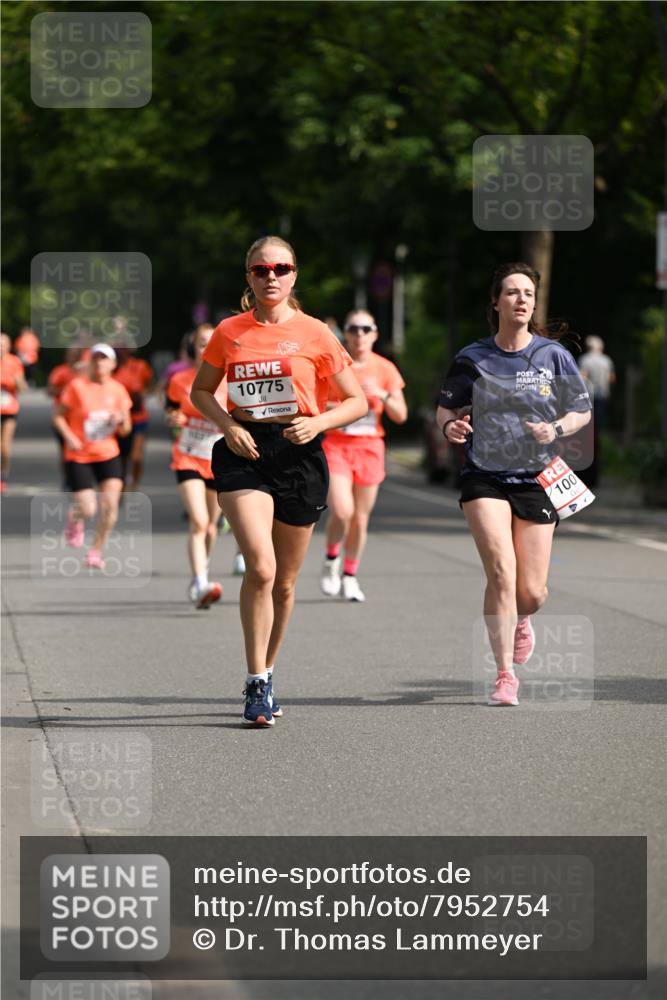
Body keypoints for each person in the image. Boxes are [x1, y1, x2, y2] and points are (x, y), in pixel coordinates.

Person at [191, 235, 367, 727]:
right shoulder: (230, 331)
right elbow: (201, 391)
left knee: (285, 584)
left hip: (299, 454)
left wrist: (319, 423)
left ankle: (268, 671)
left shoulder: (317, 333)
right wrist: (228, 426)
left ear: (294, 275)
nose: (271, 277)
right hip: (243, 452)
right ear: (248, 276)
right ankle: (254, 683)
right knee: (262, 569)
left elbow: (356, 401)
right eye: (260, 269)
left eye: (280, 268)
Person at [436, 262, 592, 707]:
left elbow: (581, 409)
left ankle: (523, 618)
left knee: (531, 591)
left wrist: (557, 429)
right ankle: (505, 675)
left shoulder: (553, 356)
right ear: (496, 301)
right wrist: (450, 428)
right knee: (501, 571)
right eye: (512, 292)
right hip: (484, 474)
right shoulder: (472, 358)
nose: (522, 299)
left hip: (539, 477)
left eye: (528, 293)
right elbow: (445, 411)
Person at [320, 309, 407, 601]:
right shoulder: (334, 367)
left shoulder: (385, 369)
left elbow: (401, 415)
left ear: (375, 334)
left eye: (366, 329)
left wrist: (380, 395)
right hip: (337, 445)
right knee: (342, 511)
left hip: (370, 448)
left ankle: (350, 575)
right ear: (345, 333)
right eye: (354, 329)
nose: (360, 334)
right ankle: (331, 560)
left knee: (360, 519)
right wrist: (350, 404)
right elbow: (316, 407)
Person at [165, 325, 241, 609]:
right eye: (200, 344)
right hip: (187, 456)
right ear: (192, 349)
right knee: (198, 521)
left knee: (210, 527)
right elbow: (171, 408)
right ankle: (200, 581)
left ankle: (202, 571)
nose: (205, 349)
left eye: (211, 344)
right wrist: (175, 419)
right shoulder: (180, 380)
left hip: (219, 459)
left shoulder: (232, 381)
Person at [53, 343, 132, 569]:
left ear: (113, 364)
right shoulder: (77, 386)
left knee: (110, 507)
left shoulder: (118, 390)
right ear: (90, 362)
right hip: (79, 455)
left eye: (104, 359)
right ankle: (75, 518)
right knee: (88, 508)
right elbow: (58, 417)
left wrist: (119, 421)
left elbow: (126, 429)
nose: (99, 363)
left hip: (108, 453)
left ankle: (95, 551)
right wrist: (69, 437)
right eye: (96, 358)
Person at [112, 344, 154, 489]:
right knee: (122, 456)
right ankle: (121, 483)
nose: (121, 350)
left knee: (136, 456)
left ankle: (134, 483)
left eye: (123, 347)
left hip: (138, 416)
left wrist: (142, 394)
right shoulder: (112, 368)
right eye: (118, 347)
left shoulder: (140, 366)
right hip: (120, 418)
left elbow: (148, 384)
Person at [47, 347, 90, 489]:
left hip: (81, 419)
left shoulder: (85, 372)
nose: (73, 357)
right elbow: (50, 391)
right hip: (63, 417)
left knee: (84, 449)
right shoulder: (60, 371)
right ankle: (67, 478)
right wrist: (66, 390)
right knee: (65, 450)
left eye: (76, 355)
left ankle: (83, 479)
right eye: (71, 355)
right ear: (66, 356)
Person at [0, 333, 27, 493]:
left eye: (3, 344)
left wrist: (17, 382)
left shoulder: (14, 362)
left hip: (9, 409)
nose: (1, 347)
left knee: (4, 448)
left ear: (9, 346)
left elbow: (23, 387)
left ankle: (3, 476)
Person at [578, 335, 615, 431]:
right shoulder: (607, 360)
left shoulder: (585, 360)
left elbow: (582, 378)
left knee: (588, 420)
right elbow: (611, 378)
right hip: (603, 393)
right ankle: (599, 439)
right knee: (600, 420)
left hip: (589, 395)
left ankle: (590, 440)